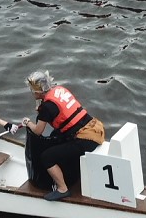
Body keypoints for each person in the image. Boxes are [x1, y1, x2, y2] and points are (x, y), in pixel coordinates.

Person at [20, 70, 107, 201]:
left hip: (86, 139)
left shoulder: (47, 107)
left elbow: (38, 131)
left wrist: (28, 123)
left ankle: (62, 189)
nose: (32, 93)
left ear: (38, 91)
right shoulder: (59, 90)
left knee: (47, 157)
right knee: (57, 136)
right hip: (95, 128)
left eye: (32, 90)